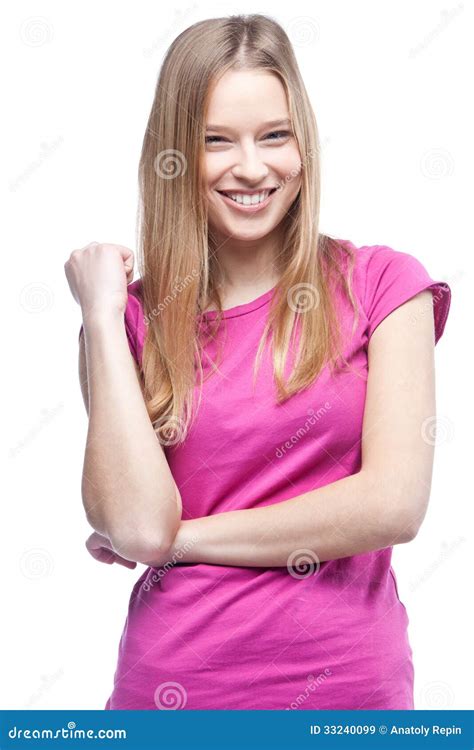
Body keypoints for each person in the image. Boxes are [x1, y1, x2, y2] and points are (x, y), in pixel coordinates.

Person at [65, 14, 451, 710]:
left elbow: (392, 505)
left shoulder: (384, 286)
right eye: (216, 141)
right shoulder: (126, 321)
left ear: (303, 141)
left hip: (349, 696)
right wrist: (96, 313)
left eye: (274, 135)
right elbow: (136, 524)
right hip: (173, 695)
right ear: (175, 154)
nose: (251, 167)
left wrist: (181, 542)